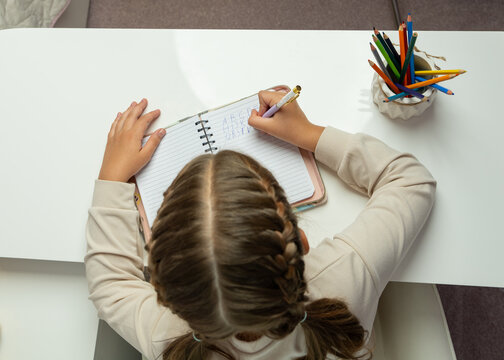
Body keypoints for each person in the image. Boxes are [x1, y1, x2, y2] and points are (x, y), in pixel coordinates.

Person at [85, 90, 436, 360]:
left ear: (161, 283)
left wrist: (112, 179)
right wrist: (310, 133)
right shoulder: (343, 278)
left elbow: (110, 285)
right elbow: (411, 181)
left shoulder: (166, 337)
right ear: (299, 240)